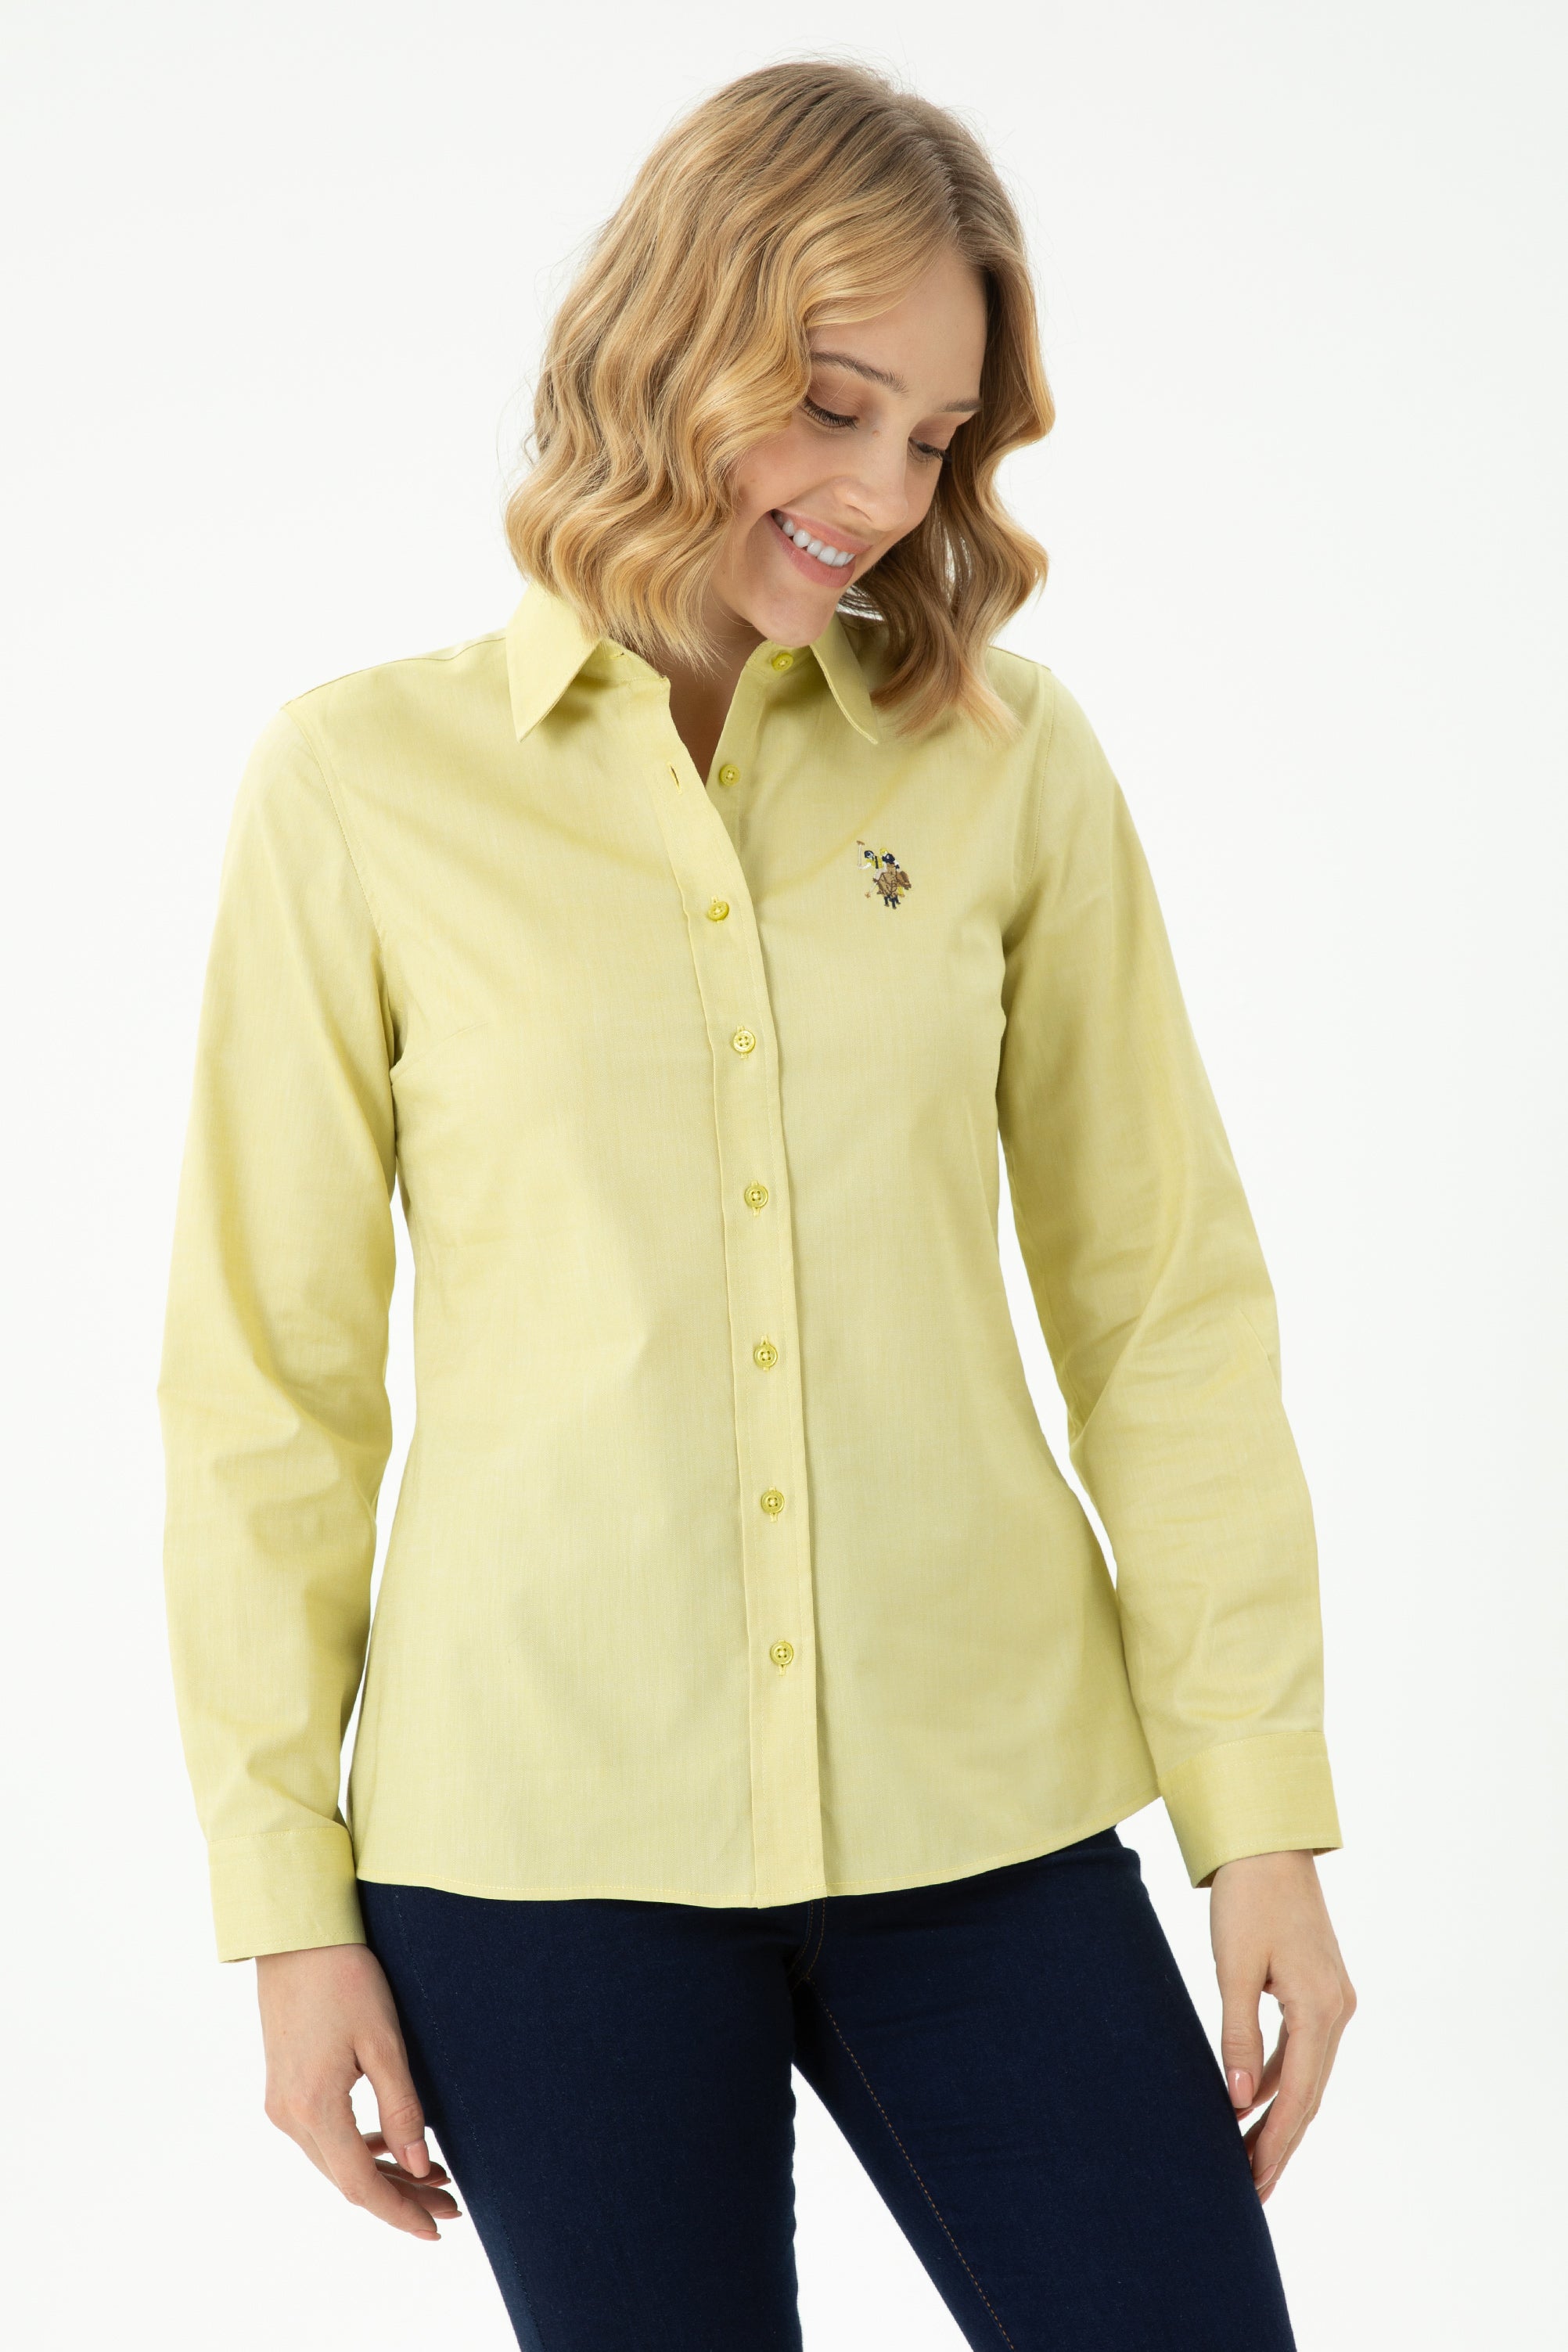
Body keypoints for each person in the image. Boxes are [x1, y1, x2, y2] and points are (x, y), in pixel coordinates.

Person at [160, 58, 1354, 2352]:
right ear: (671, 343)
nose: (881, 495)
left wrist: (1259, 1818)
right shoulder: (357, 784)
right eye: (830, 406)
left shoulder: (1006, 763)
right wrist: (284, 1905)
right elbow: (266, 1387)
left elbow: (1162, 1307)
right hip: (534, 1853)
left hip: (985, 1808)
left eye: (935, 438)